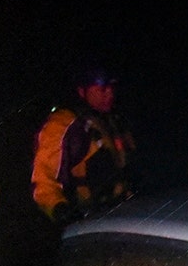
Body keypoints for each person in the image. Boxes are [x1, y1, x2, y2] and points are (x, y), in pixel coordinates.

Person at [31, 66, 135, 224]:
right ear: (82, 91)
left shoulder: (113, 121)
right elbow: (43, 178)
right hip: (90, 218)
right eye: (102, 89)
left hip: (125, 213)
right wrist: (60, 210)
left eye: (111, 88)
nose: (109, 94)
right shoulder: (64, 124)